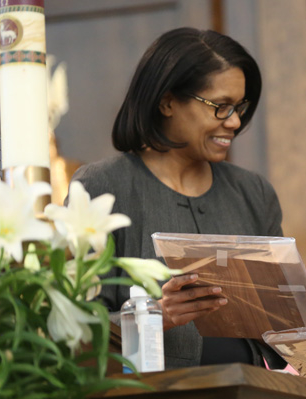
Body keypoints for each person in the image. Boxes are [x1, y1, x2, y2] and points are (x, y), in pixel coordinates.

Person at [71, 27, 284, 369]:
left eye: (240, 107)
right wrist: (157, 314)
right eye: (221, 107)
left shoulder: (253, 192)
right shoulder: (103, 187)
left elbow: (280, 325)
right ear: (167, 102)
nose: (235, 122)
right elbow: (74, 328)